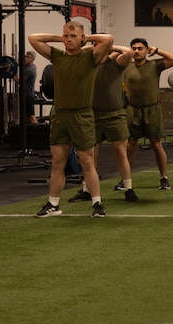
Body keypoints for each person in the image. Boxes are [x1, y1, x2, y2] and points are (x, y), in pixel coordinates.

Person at [28, 22, 114, 218]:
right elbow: (33, 38)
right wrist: (62, 39)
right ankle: (53, 204)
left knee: (87, 161)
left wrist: (84, 39)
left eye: (73, 36)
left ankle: (97, 204)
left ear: (82, 38)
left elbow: (108, 39)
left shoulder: (90, 56)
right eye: (66, 35)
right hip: (60, 115)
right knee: (58, 161)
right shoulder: (57, 56)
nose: (68, 39)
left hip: (82, 116)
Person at [67, 46, 135, 203]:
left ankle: (128, 189)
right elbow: (74, 52)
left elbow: (129, 52)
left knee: (120, 151)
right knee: (90, 155)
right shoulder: (87, 63)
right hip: (92, 114)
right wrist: (93, 44)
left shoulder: (116, 63)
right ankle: (86, 190)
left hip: (115, 114)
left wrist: (110, 46)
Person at [125, 38, 173, 191]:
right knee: (130, 146)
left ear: (146, 50)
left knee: (156, 144)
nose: (136, 51)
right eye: (133, 48)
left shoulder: (154, 65)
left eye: (140, 48)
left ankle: (164, 178)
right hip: (133, 110)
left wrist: (157, 51)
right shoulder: (126, 66)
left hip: (152, 110)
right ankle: (126, 180)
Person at [15, 51, 39, 124]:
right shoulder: (32, 66)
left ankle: (39, 132)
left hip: (27, 96)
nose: (25, 58)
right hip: (25, 95)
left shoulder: (30, 70)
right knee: (25, 116)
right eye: (25, 56)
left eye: (28, 57)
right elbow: (20, 64)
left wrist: (12, 75)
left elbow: (20, 81)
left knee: (31, 116)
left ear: (32, 59)